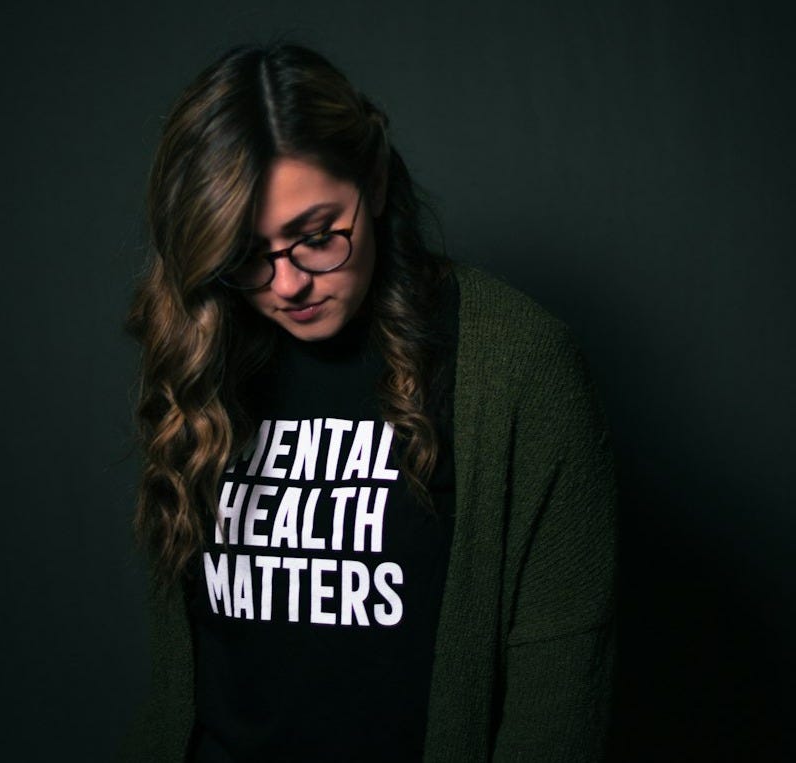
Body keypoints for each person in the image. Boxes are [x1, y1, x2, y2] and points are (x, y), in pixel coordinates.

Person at [125, 42, 616, 763]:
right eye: (245, 253)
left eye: (317, 236)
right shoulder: (204, 351)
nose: (286, 284)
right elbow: (190, 685)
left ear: (376, 180)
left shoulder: (518, 367)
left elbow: (557, 705)